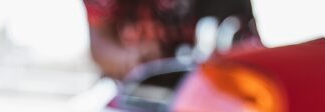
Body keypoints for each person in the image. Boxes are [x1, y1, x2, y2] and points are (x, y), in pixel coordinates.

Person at [83, 0, 257, 80]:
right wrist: (131, 60)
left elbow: (246, 47)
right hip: (130, 96)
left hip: (207, 93)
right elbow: (100, 43)